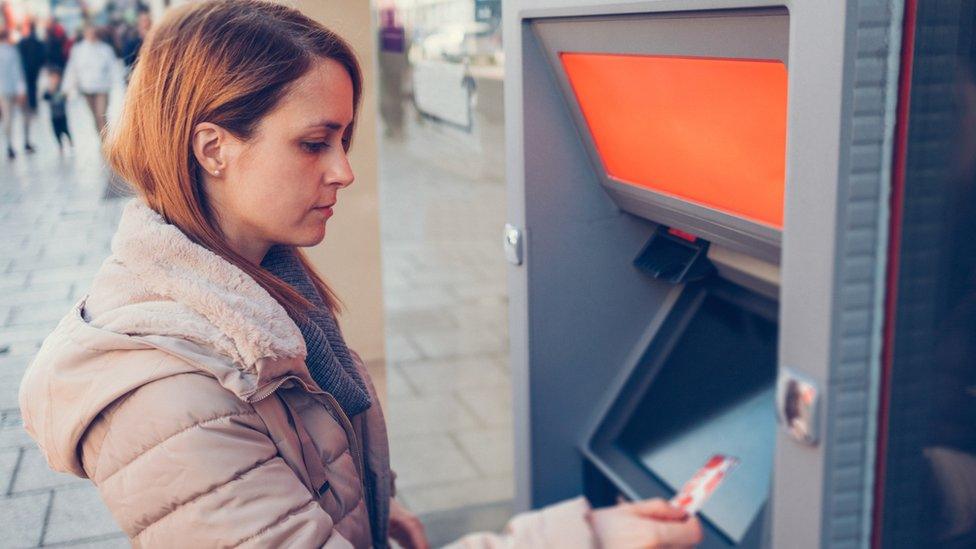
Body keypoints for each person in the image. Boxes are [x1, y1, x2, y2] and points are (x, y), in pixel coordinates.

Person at [17, 2, 703, 548]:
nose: (343, 169)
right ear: (213, 148)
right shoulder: (171, 396)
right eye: (315, 142)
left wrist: (367, 501)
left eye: (344, 139)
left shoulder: (265, 289)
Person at [62, 24, 117, 141]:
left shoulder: (105, 49)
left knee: (101, 114)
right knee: (95, 116)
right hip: (87, 88)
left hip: (102, 87)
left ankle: (106, 140)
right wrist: (67, 87)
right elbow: (72, 69)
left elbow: (113, 68)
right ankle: (101, 136)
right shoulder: (78, 50)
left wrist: (116, 83)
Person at [17, 21, 45, 153]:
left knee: (30, 91)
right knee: (32, 91)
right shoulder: (37, 42)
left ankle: (31, 105)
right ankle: (33, 105)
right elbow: (42, 57)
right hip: (32, 75)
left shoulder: (21, 43)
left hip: (24, 75)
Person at [0, 29, 27, 159]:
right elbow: (17, 71)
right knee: (18, 116)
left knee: (7, 118)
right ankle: (23, 141)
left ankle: (9, 144)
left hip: (2, 90)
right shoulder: (12, 51)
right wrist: (21, 89)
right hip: (13, 89)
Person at [42, 66, 72, 153]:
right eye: (52, 78)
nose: (54, 80)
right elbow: (44, 97)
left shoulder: (62, 89)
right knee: (56, 132)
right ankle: (60, 145)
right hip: (54, 117)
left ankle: (70, 142)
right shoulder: (49, 91)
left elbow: (66, 97)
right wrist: (49, 90)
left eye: (56, 78)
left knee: (65, 130)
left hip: (62, 115)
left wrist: (65, 95)